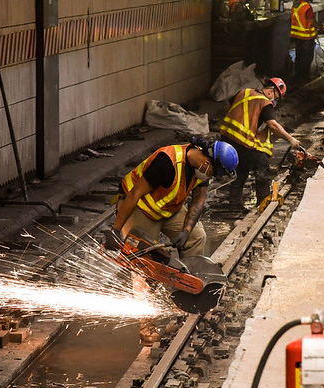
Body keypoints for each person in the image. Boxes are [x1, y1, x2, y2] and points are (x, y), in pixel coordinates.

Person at [105, 139, 239, 258]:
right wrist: (115, 230)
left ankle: (187, 279)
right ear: (206, 163)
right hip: (140, 207)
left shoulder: (201, 170)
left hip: (167, 209)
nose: (212, 177)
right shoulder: (167, 162)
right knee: (144, 255)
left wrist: (186, 231)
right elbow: (135, 194)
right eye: (214, 174)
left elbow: (199, 200)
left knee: (196, 237)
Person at [219, 78, 301, 211]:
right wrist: (290, 139)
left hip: (226, 138)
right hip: (241, 139)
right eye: (276, 97)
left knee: (241, 168)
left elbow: (228, 106)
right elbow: (273, 125)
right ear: (270, 91)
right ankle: (263, 204)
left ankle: (234, 204)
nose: (274, 101)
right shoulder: (264, 102)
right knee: (262, 164)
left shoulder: (244, 92)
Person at [290, 0, 322, 83]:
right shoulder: (306, 7)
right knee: (306, 58)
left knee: (299, 56)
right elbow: (311, 20)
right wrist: (319, 27)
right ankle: (304, 78)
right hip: (306, 37)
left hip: (297, 36)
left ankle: (298, 76)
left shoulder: (295, 6)